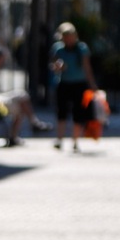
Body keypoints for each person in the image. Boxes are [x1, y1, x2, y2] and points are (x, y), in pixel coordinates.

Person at [49, 21, 98, 151]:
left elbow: (87, 68)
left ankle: (75, 141)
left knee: (78, 113)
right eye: (65, 37)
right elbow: (53, 66)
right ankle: (59, 139)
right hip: (64, 83)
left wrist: (92, 85)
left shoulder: (81, 48)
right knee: (61, 112)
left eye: (70, 36)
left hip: (79, 84)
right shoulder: (58, 49)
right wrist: (58, 68)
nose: (68, 39)